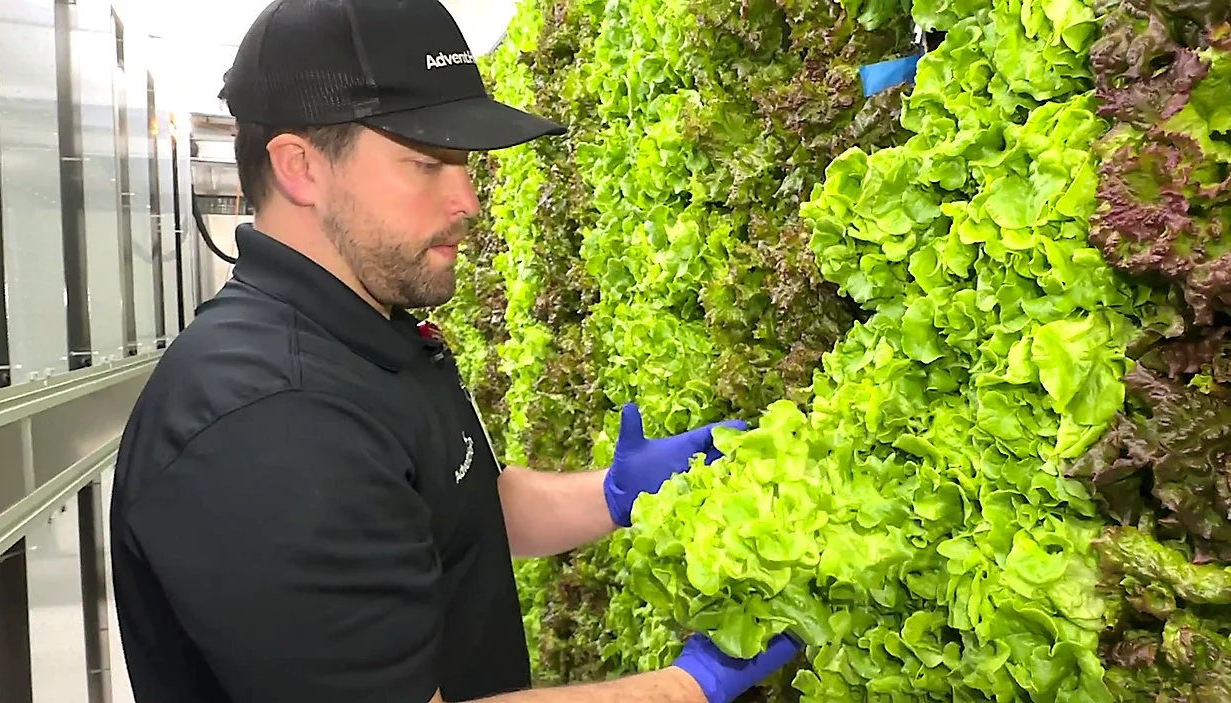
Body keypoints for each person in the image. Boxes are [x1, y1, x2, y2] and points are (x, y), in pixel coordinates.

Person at [107, 1, 801, 702]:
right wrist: (688, 687)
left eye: (464, 164)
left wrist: (618, 493)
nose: (468, 199)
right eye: (426, 162)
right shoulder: (268, 423)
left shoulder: (371, 335)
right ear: (301, 168)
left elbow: (454, 512)